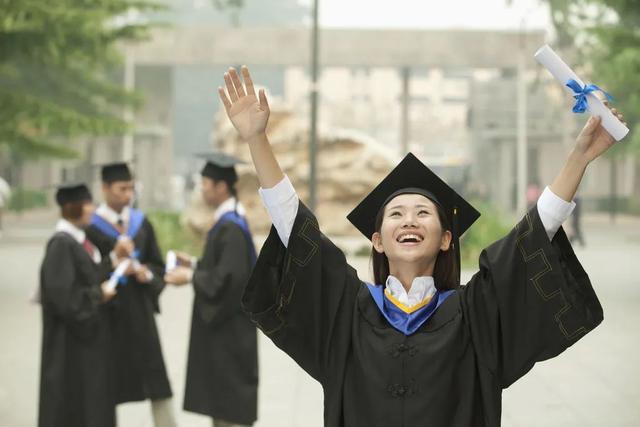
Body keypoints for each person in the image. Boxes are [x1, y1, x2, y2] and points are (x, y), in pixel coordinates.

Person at [219, 66, 625, 426]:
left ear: (447, 238)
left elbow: (531, 238)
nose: (409, 219)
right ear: (376, 241)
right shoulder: (346, 314)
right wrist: (258, 141)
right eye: (395, 214)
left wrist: (579, 157)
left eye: (423, 213)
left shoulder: (475, 316)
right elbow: (297, 231)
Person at [165, 152, 258, 427]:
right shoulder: (228, 221)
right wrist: (194, 263)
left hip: (229, 336)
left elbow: (228, 280)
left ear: (220, 187)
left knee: (229, 410)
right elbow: (226, 268)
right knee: (223, 405)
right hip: (229, 335)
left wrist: (191, 276)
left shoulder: (231, 227)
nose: (202, 188)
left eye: (205, 183)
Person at [86, 163, 176, 427]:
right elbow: (85, 273)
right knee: (105, 383)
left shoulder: (140, 223)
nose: (127, 195)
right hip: (107, 316)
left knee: (156, 380)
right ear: (104, 189)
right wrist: (114, 260)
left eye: (131, 188)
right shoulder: (91, 227)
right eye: (121, 189)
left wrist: (145, 273)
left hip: (139, 315)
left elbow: (158, 266)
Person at [38, 183, 118, 427]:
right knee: (73, 407)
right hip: (69, 349)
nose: (92, 209)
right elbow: (66, 299)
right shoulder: (61, 245)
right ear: (74, 208)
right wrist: (98, 295)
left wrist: (113, 262)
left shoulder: (79, 240)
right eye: (88, 205)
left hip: (86, 345)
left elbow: (87, 275)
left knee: (91, 405)